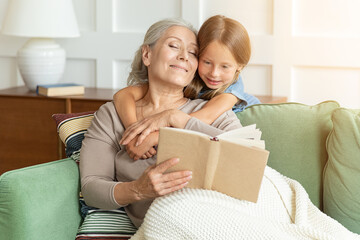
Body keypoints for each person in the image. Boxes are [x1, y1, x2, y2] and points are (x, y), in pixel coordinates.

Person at [80, 18, 243, 228]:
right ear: (147, 55)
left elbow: (249, 163)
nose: (184, 56)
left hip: (221, 218)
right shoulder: (112, 115)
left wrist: (178, 119)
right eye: (174, 46)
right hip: (162, 226)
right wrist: (138, 189)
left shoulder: (214, 112)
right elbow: (91, 188)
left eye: (193, 53)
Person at [113, 15, 260, 160]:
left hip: (243, 138)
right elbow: (123, 95)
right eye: (207, 62)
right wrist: (134, 133)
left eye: (225, 66)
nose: (214, 73)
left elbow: (205, 117)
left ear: (239, 67)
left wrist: (156, 135)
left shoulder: (231, 90)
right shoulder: (189, 77)